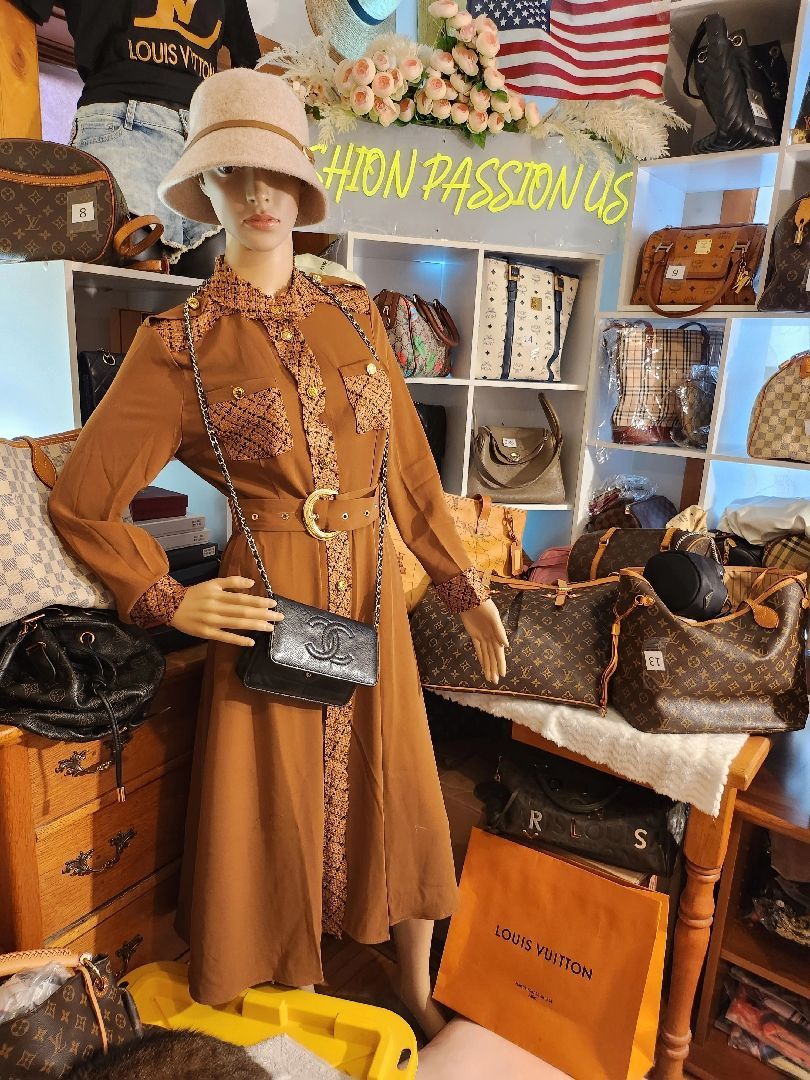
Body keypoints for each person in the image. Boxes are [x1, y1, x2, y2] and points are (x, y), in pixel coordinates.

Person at [48, 68, 508, 1039]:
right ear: (203, 191)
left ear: (304, 190)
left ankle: (416, 992)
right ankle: (276, 1009)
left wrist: (463, 585)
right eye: (233, 176)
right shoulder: (176, 344)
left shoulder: (353, 317)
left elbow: (410, 472)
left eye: (276, 175)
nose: (259, 198)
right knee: (278, 810)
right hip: (279, 610)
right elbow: (85, 497)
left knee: (404, 795)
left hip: (375, 603)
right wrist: (164, 598)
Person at [11, 0, 261, 274]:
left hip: (202, 143)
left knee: (220, 295)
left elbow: (249, 66)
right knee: (127, 290)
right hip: (121, 125)